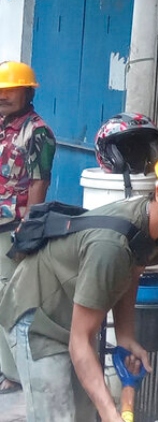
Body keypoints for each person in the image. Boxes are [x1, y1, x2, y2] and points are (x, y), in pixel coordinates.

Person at [0, 145, 158, 422]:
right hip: (36, 314)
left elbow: (130, 276)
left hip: (71, 312)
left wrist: (126, 337)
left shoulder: (155, 230)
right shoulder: (110, 247)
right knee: (57, 414)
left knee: (83, 413)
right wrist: (110, 412)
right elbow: (79, 341)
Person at [0, 61, 56, 395]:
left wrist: (28, 231)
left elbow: (39, 183)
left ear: (27, 91)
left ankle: (16, 375)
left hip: (13, 229)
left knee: (10, 299)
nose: (4, 96)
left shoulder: (37, 132)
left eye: (11, 89)